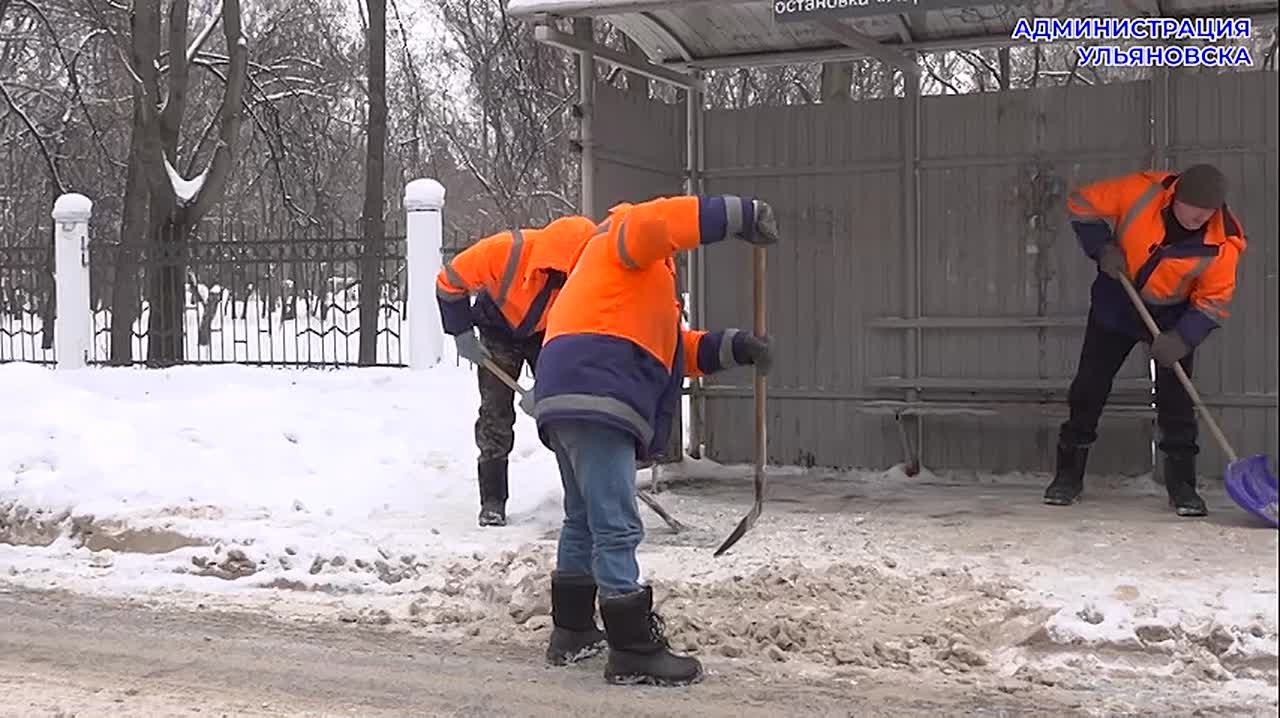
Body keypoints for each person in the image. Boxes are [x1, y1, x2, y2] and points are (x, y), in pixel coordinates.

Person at [529, 194, 778, 685]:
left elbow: (672, 349)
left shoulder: (622, 285)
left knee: (583, 518)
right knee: (616, 525)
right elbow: (663, 220)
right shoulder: (623, 233)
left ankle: (573, 631)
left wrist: (737, 347)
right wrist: (740, 214)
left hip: (566, 390)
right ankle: (631, 648)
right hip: (597, 388)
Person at [1044, 164, 1246, 516]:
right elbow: (1081, 202)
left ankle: (1183, 487)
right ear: (1175, 197)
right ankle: (1068, 476)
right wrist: (1102, 247)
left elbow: (1214, 301)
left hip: (1173, 316)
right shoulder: (1142, 191)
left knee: (1177, 400)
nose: (1201, 218)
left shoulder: (1223, 243)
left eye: (1208, 212)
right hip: (1117, 304)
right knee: (1089, 387)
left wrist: (1183, 338)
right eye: (1194, 209)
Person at [436, 214, 599, 527]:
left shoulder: (586, 275)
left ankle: (581, 496)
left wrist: (553, 383)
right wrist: (461, 331)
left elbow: (587, 328)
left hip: (550, 336)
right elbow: (448, 280)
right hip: (497, 328)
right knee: (495, 414)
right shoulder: (505, 251)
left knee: (564, 413)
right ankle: (492, 500)